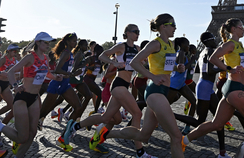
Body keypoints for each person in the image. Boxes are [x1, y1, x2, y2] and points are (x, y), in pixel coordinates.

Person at [88, 14, 185, 158]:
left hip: (164, 89)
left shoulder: (170, 45)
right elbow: (134, 62)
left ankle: (105, 134)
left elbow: (167, 66)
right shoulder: (154, 43)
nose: (175, 27)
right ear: (163, 26)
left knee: (143, 135)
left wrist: (177, 68)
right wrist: (152, 76)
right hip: (155, 91)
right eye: (173, 24)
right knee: (176, 137)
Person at [62, 24, 156, 157]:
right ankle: (140, 152)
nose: (138, 34)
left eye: (139, 32)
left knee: (107, 117)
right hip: (118, 84)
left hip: (124, 84)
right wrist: (115, 63)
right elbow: (102, 56)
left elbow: (143, 63)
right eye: (135, 32)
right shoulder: (121, 46)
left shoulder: (137, 48)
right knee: (137, 114)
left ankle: (74, 126)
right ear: (127, 33)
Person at [181, 19, 244, 154]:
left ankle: (183, 141)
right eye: (241, 27)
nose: (243, 29)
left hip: (233, 89)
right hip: (234, 89)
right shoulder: (230, 44)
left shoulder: (239, 45)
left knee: (216, 124)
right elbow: (213, 58)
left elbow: (240, 67)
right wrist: (229, 69)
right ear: (233, 29)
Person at [0, 32, 54, 157]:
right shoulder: (30, 57)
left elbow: (47, 74)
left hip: (34, 98)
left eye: (49, 43)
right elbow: (10, 72)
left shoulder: (45, 58)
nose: (48, 45)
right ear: (37, 42)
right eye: (45, 42)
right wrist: (15, 86)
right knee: (22, 137)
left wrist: (57, 77)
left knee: (32, 133)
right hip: (23, 97)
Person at [38, 32, 84, 151]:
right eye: (74, 41)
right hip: (57, 84)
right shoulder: (66, 53)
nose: (75, 43)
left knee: (78, 107)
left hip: (65, 84)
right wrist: (73, 73)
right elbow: (58, 69)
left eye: (76, 41)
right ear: (68, 41)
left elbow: (66, 69)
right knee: (42, 112)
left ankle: (63, 138)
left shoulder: (71, 53)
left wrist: (73, 73)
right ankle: (24, 134)